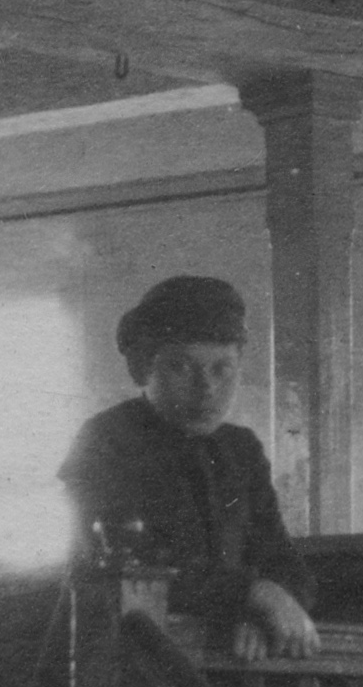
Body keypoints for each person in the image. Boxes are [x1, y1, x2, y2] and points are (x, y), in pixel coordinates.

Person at [59, 273, 321, 661]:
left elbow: (283, 560)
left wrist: (264, 610)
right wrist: (252, 594)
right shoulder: (106, 439)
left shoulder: (241, 450)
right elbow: (132, 566)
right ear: (143, 368)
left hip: (207, 662)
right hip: (111, 666)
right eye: (181, 368)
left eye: (222, 368)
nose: (207, 388)